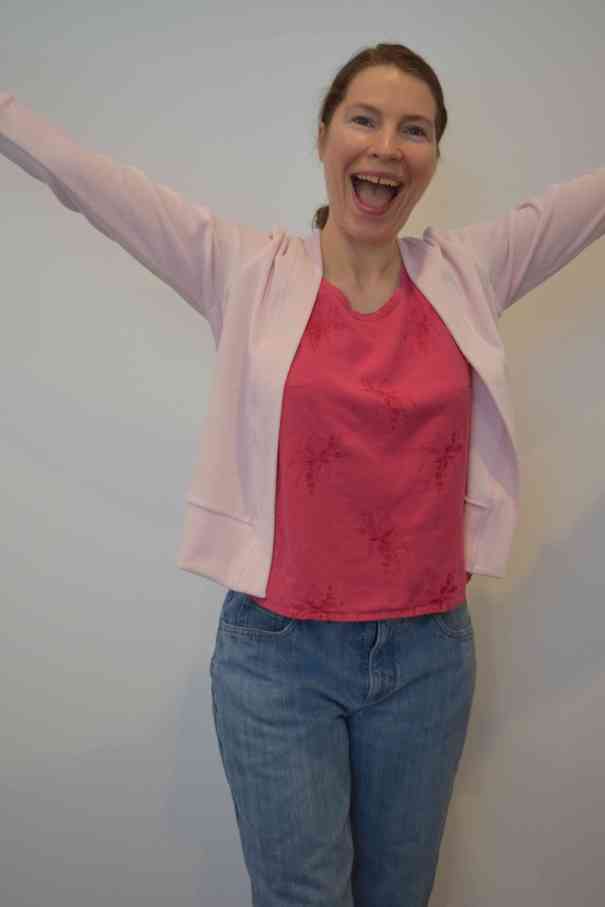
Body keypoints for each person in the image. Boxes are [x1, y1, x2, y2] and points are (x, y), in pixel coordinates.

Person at [2, 41, 604, 907]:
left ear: (433, 156)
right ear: (324, 136)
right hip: (276, 658)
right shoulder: (246, 269)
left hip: (427, 655)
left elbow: (583, 204)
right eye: (364, 119)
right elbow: (94, 185)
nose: (386, 146)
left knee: (399, 895)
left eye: (414, 130)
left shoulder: (469, 271)